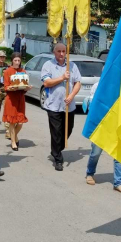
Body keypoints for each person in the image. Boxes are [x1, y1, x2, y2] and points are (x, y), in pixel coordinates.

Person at [41, 43, 81, 171]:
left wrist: (72, 95)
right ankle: (58, 158)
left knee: (68, 130)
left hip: (69, 105)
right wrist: (62, 77)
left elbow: (77, 83)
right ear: (54, 52)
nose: (62, 54)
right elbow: (47, 82)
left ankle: (56, 149)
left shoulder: (72, 66)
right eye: (59, 51)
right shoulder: (48, 65)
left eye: (64, 51)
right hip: (53, 105)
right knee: (56, 133)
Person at [85, 81, 121, 194]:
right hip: (101, 125)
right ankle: (90, 174)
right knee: (96, 153)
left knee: (119, 154)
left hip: (117, 125)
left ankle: (118, 183)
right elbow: (93, 106)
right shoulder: (98, 85)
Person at [3, 52, 32, 150]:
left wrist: (27, 88)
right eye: (15, 60)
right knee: (12, 121)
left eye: (19, 60)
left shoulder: (23, 71)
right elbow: (6, 87)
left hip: (20, 98)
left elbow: (24, 84)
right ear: (12, 60)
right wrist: (12, 88)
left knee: (20, 122)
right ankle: (13, 142)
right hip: (11, 99)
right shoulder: (7, 71)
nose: (17, 62)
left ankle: (14, 136)